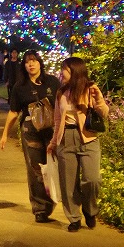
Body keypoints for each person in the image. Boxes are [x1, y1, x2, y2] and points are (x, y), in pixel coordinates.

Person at [47, 56, 109, 233]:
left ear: (74, 71)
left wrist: (99, 101)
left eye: (64, 69)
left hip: (88, 138)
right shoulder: (61, 93)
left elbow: (104, 113)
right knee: (68, 182)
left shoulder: (90, 89)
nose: (61, 72)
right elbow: (57, 120)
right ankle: (74, 218)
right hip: (66, 138)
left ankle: (90, 211)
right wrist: (53, 143)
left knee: (92, 179)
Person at [0, 50, 59, 222]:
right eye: (27, 62)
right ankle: (40, 208)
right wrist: (5, 134)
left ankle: (53, 200)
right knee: (35, 169)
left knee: (53, 166)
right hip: (30, 129)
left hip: (52, 129)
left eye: (33, 61)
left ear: (40, 62)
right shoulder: (20, 86)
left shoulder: (52, 82)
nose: (30, 64)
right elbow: (13, 112)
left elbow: (63, 104)